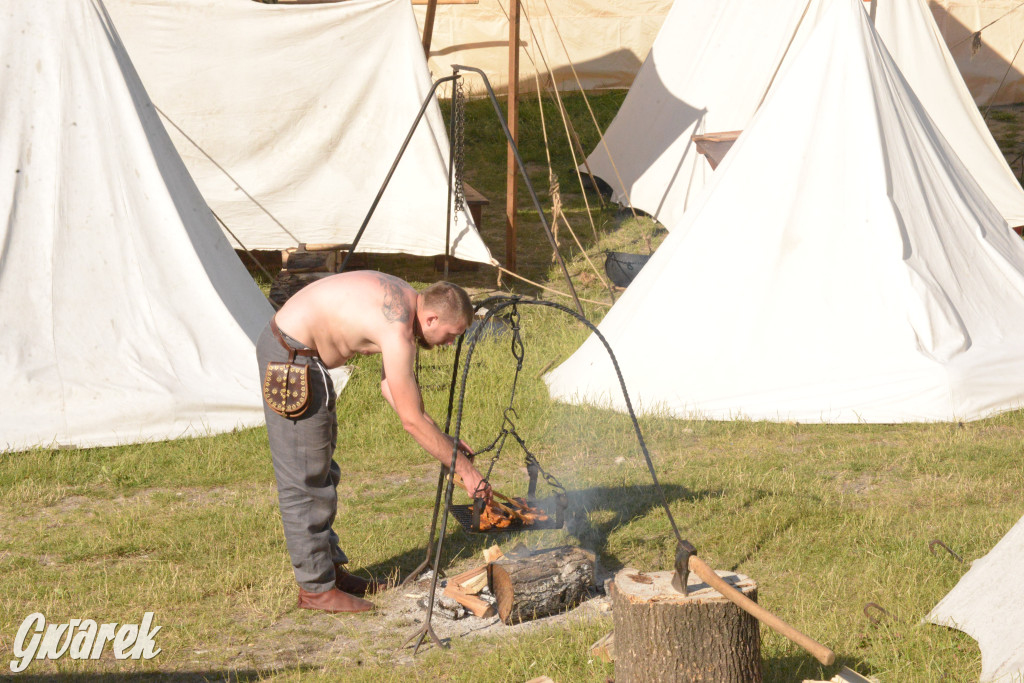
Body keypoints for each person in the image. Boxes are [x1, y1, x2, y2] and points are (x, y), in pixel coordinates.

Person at [256, 272, 491, 613]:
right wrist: (467, 471)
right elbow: (410, 421)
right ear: (432, 318)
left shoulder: (405, 304)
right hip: (290, 359)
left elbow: (395, 393)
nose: (449, 344)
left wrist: (443, 441)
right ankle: (316, 591)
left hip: (305, 357)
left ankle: (331, 573)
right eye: (451, 335)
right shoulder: (397, 327)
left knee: (321, 471)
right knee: (303, 480)